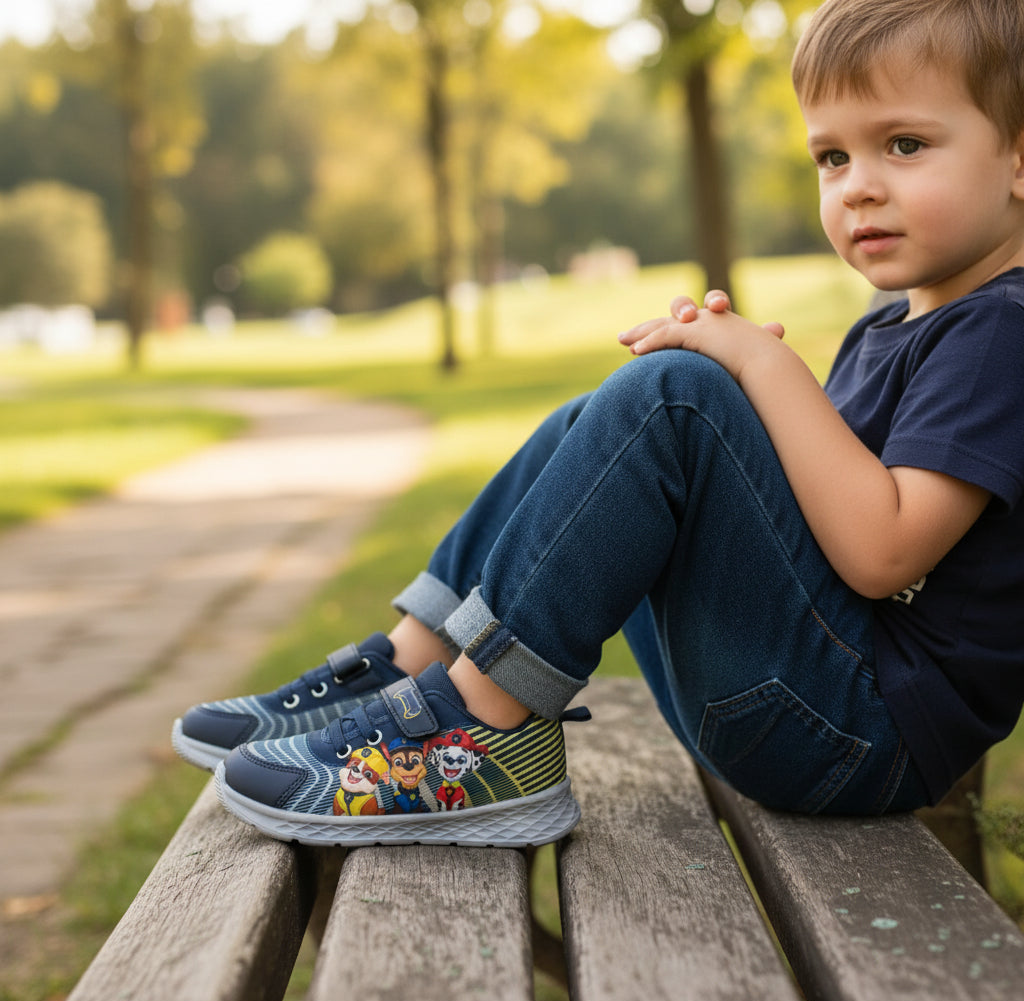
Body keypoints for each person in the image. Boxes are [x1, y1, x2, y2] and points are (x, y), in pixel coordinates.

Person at [172, 0, 1024, 847]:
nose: (859, 185)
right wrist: (744, 405)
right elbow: (809, 521)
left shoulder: (1000, 331)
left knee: (675, 396)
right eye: (832, 156)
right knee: (618, 413)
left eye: (904, 145)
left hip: (859, 731)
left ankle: (486, 729)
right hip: (809, 704)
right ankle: (411, 663)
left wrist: (764, 371)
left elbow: (883, 553)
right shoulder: (897, 323)